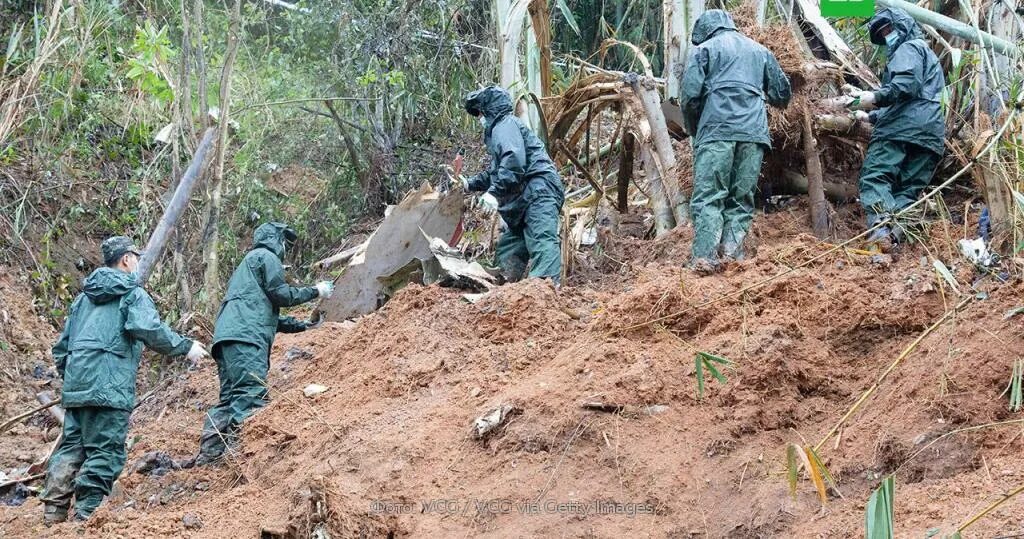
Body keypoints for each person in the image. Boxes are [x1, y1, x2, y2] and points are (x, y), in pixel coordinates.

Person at [41, 236, 208, 525]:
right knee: (106, 451)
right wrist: (186, 347)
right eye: (136, 257)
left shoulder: (83, 299)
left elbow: (61, 347)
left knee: (71, 447)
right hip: (109, 388)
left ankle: (52, 514)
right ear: (126, 260)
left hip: (77, 386)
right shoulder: (131, 293)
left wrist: (72, 377)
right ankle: (85, 516)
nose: (138, 262)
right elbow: (149, 329)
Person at [191, 222, 333, 466]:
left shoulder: (247, 266)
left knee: (230, 398)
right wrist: (315, 291)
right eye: (284, 241)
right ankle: (246, 461)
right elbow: (281, 294)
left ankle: (210, 457)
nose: (285, 248)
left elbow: (266, 315)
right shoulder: (266, 257)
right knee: (250, 395)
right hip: (247, 340)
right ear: (275, 240)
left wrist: (304, 326)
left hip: (228, 340)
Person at [680, 9, 792, 272]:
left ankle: (704, 257)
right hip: (753, 134)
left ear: (704, 31)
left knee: (709, 196)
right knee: (741, 197)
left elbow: (689, 98)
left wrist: (696, 130)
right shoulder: (760, 51)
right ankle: (732, 256)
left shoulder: (704, 50)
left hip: (716, 132)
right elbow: (781, 94)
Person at [845, 7, 945, 250]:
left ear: (902, 26)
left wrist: (871, 97)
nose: (887, 35)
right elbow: (914, 100)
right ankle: (893, 238)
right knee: (906, 192)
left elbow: (905, 86)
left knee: (875, 178)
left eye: (889, 29)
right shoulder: (927, 56)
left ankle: (880, 230)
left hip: (900, 131)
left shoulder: (908, 48)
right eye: (882, 32)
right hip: (930, 135)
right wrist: (870, 116)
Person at [461, 86, 565, 285]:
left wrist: (494, 193)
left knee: (542, 239)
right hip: (525, 200)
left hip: (538, 192)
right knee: (509, 249)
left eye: (481, 113)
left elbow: (514, 162)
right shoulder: (504, 129)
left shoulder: (504, 125)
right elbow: (496, 172)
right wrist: (469, 184)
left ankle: (545, 291)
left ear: (489, 110)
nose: (480, 118)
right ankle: (500, 287)